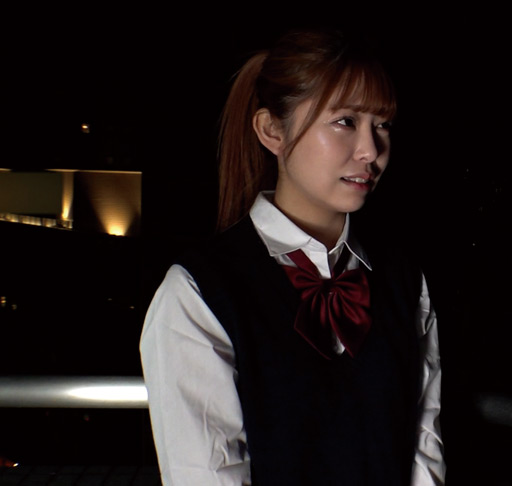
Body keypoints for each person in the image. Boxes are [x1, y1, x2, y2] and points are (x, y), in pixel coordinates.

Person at [140, 28, 444, 486]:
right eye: (345, 121)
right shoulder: (198, 291)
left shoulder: (404, 281)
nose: (371, 151)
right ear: (271, 131)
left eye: (382, 125)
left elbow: (425, 452)